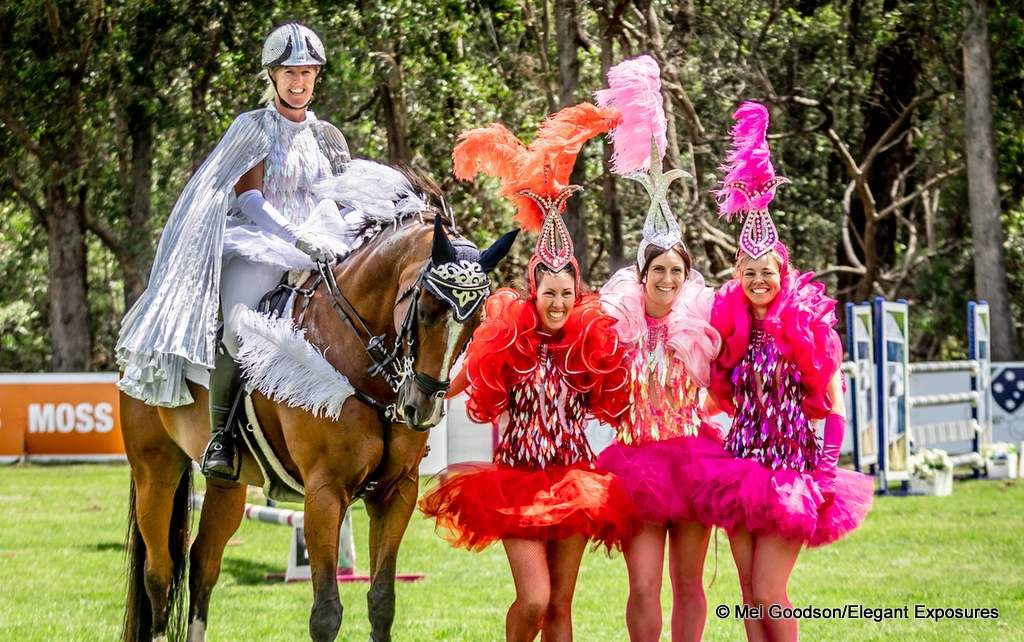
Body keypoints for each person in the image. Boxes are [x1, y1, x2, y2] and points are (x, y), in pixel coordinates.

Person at [419, 105, 640, 642]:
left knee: (560, 607)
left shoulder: (592, 340)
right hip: (514, 482)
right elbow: (460, 382)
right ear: (533, 290)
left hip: (574, 479)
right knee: (534, 598)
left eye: (567, 293)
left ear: (576, 292)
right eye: (549, 293)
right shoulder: (506, 335)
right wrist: (424, 402)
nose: (558, 303)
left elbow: (623, 394)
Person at [114, 23, 350, 479]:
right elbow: (250, 198)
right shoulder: (254, 127)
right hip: (260, 244)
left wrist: (346, 230)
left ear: (316, 76)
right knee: (240, 330)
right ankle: (221, 436)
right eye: (289, 72)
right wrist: (295, 236)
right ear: (272, 75)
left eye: (306, 72)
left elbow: (339, 197)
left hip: (320, 245)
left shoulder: (329, 136)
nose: (298, 81)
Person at [685, 102, 874, 642]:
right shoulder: (734, 331)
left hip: (792, 470)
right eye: (749, 273)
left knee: (770, 592)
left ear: (782, 273)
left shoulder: (809, 327)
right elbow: (719, 396)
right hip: (740, 466)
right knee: (748, 598)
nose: (759, 281)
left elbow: (835, 404)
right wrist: (691, 416)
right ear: (738, 276)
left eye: (767, 272)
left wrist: (828, 470)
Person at [593, 55, 723, 641]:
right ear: (641, 275)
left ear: (686, 275)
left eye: (677, 270)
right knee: (643, 586)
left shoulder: (701, 325)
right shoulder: (617, 325)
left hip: (693, 461)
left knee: (689, 585)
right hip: (637, 464)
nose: (667, 279)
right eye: (658, 270)